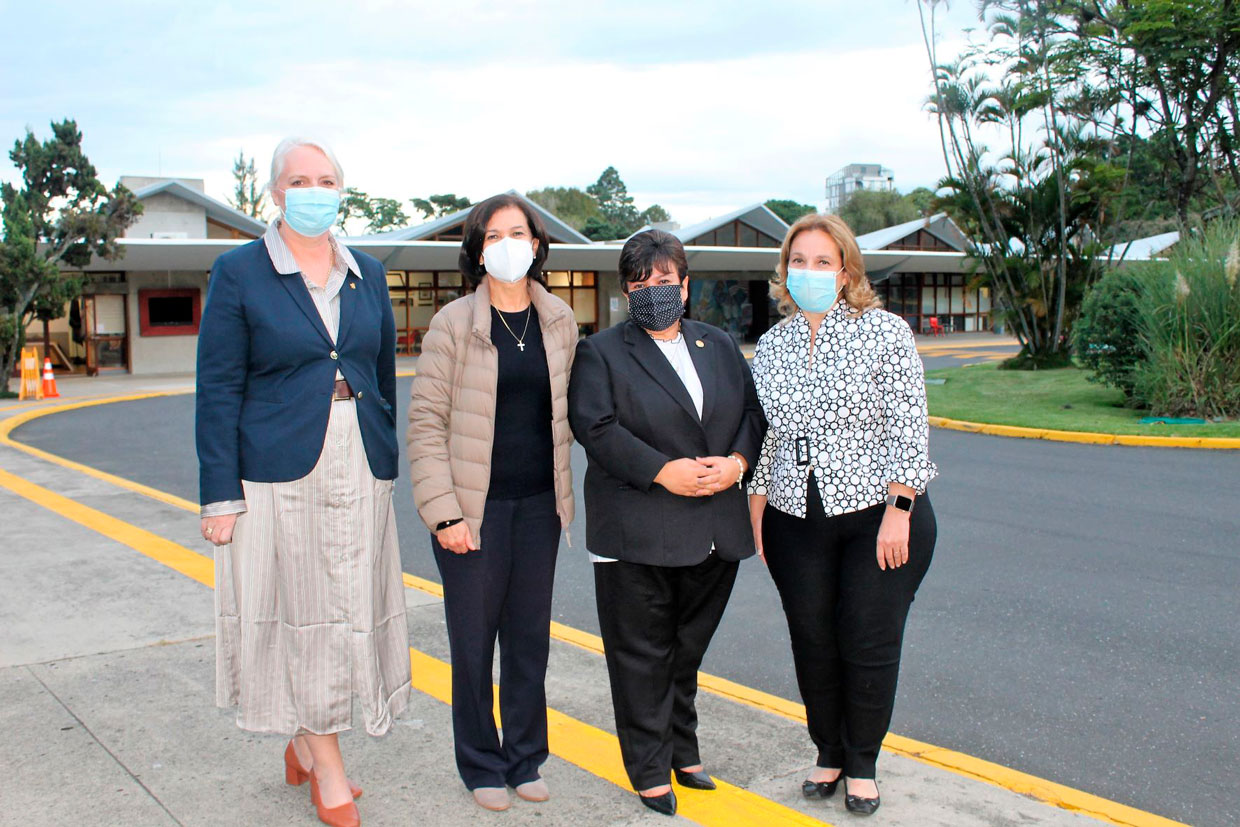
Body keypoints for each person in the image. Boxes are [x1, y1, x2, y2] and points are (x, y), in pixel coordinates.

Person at [196, 137, 409, 827]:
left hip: (359, 459)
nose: (313, 189)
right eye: (299, 179)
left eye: (325, 179)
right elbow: (218, 387)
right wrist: (219, 492)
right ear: (275, 193)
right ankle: (329, 766)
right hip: (279, 470)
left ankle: (302, 742)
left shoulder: (367, 272)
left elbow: (379, 374)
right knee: (303, 615)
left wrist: (387, 457)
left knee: (348, 611)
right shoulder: (239, 272)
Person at [568, 229, 765, 817]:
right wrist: (661, 471)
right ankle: (650, 768)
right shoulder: (600, 352)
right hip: (638, 532)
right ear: (628, 289)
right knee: (641, 656)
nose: (656, 290)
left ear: (686, 283)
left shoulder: (720, 344)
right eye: (642, 281)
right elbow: (595, 428)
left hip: (713, 531)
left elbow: (751, 415)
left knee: (685, 652)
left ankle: (683, 749)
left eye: (667, 279)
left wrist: (736, 463)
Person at [747, 213, 938, 817]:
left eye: (822, 261)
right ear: (784, 271)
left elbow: (910, 426)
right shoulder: (772, 346)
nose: (808, 271)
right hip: (794, 517)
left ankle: (862, 762)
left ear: (847, 270)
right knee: (813, 641)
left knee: (867, 641)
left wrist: (899, 511)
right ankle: (827, 751)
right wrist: (756, 518)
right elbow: (766, 440)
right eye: (798, 261)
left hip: (878, 516)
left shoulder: (884, 332)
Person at [407, 193, 577, 812]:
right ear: (478, 249)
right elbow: (425, 423)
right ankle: (479, 761)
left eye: (520, 232)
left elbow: (580, 410)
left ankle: (525, 756)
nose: (509, 244)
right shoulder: (453, 323)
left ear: (537, 243)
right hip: (470, 512)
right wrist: (443, 513)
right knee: (474, 644)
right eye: (495, 234)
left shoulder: (559, 320)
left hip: (538, 507)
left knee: (530, 640)